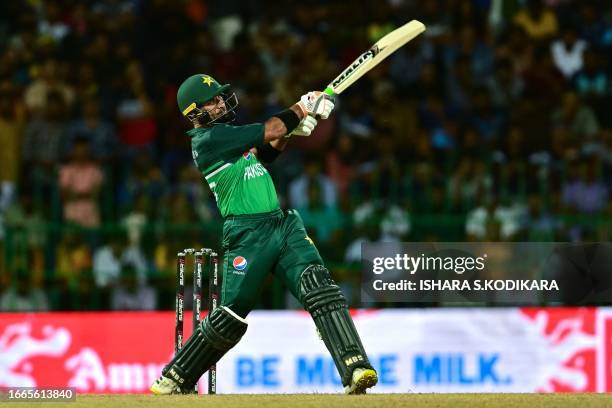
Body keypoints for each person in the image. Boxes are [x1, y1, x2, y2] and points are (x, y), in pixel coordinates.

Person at [150, 75, 378, 395]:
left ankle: (356, 367)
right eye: (211, 101)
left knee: (320, 287)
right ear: (193, 113)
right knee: (231, 315)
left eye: (219, 97)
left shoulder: (229, 138)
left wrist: (292, 130)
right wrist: (302, 107)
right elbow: (271, 129)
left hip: (282, 225)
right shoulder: (208, 139)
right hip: (247, 234)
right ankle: (175, 377)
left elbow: (267, 152)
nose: (219, 103)